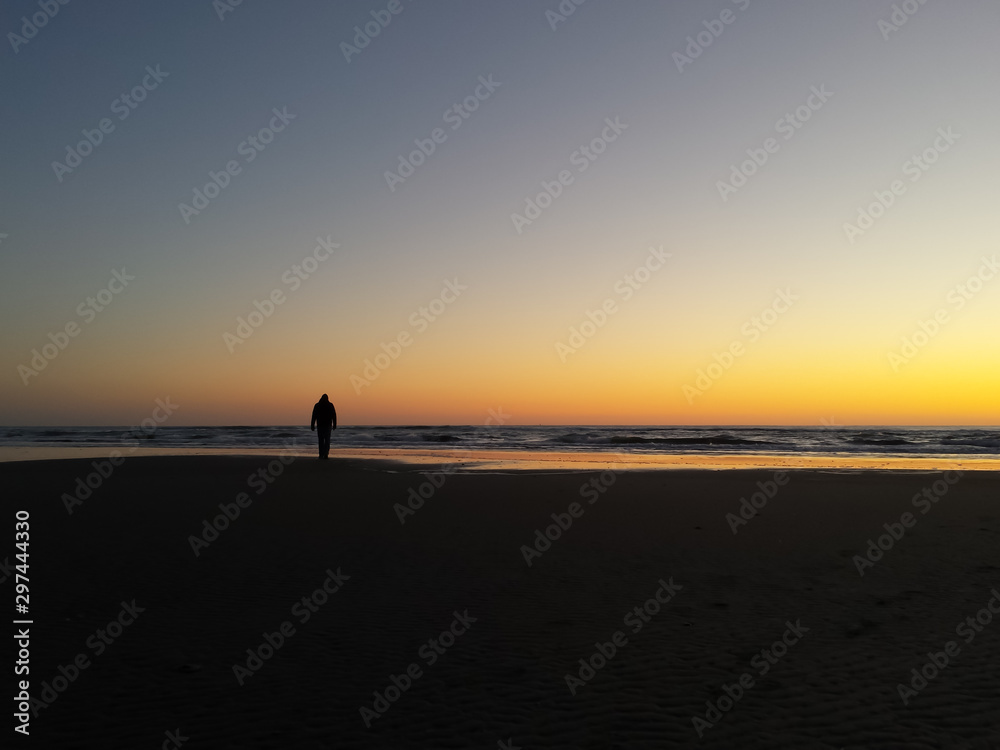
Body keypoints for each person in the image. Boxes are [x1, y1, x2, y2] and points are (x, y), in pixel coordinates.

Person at [310, 394, 337, 459]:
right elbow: (334, 415)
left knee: (321, 440)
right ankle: (325, 454)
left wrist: (312, 425)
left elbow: (314, 416)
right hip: (327, 425)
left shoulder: (317, 405)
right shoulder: (330, 405)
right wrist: (334, 424)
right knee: (327, 440)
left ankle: (321, 454)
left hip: (320, 425)